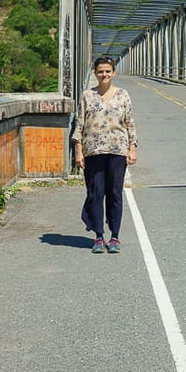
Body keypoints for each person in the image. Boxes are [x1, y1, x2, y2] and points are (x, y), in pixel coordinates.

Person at [71, 56, 138, 254]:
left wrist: (132, 148)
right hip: (93, 151)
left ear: (113, 72)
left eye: (108, 71)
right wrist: (78, 150)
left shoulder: (123, 95)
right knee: (95, 193)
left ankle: (115, 236)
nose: (104, 75)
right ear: (95, 73)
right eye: (100, 71)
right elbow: (80, 124)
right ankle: (99, 236)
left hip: (118, 150)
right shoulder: (87, 96)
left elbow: (129, 122)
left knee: (115, 193)